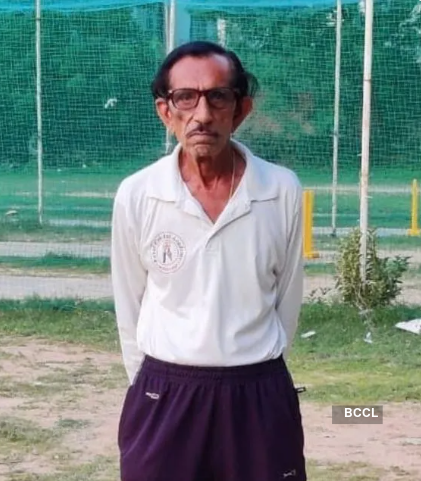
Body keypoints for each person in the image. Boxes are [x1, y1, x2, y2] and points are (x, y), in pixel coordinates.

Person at [111, 40, 306, 481]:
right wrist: (152, 385)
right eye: (185, 98)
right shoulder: (138, 194)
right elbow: (129, 302)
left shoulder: (280, 190)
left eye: (218, 97)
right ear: (165, 111)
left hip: (258, 393)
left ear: (241, 109)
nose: (202, 114)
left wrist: (253, 370)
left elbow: (287, 299)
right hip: (164, 395)